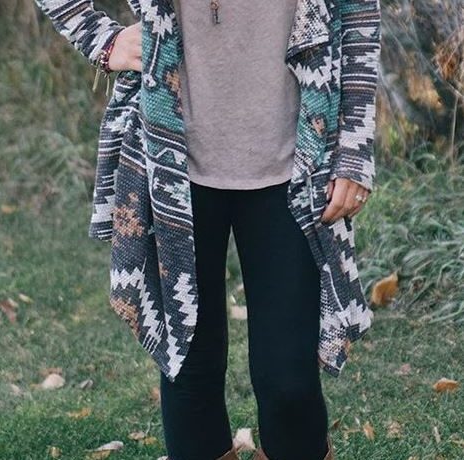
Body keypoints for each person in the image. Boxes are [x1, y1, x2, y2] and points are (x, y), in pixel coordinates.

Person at [35, 1, 381, 459]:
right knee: (189, 370)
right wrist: (103, 40)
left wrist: (354, 148)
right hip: (174, 164)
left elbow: (357, 12)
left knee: (289, 382)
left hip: (295, 164)